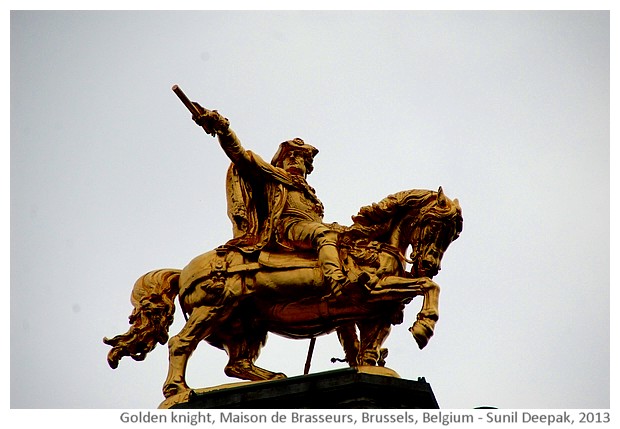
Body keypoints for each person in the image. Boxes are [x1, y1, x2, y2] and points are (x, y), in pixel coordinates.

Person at [192, 105, 365, 297]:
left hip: (306, 228)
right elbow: (240, 155)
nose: (292, 157)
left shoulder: (308, 191)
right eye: (287, 155)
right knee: (324, 235)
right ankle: (337, 282)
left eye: (298, 155)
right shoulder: (273, 176)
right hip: (285, 229)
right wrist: (222, 129)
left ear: (307, 165)